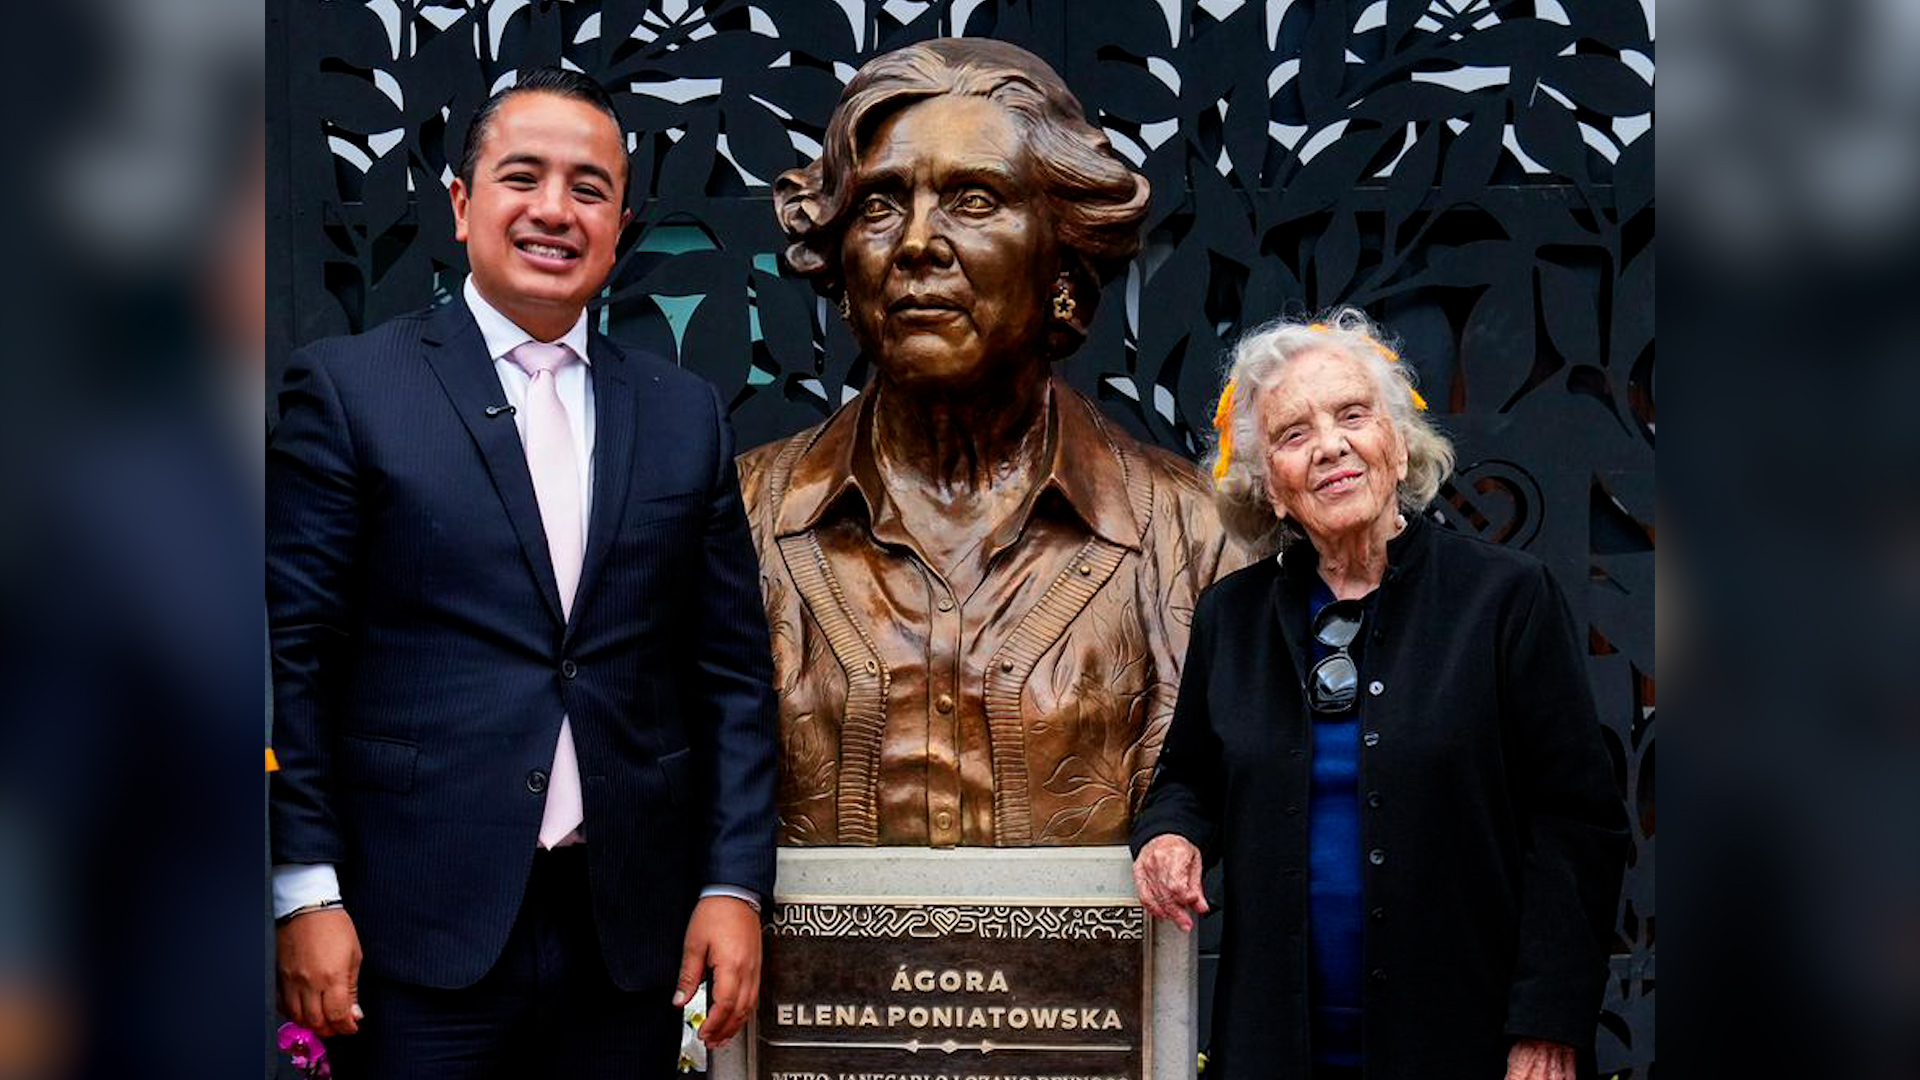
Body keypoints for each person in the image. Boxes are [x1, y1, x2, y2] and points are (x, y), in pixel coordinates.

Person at [267, 68, 778, 1078]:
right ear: (463, 206)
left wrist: (734, 885)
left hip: (625, 940)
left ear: (621, 224)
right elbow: (293, 658)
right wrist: (306, 892)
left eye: (589, 188)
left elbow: (730, 677)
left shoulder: (683, 416)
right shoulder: (350, 390)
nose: (555, 210)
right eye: (522, 177)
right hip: (414, 933)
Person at [737, 38, 1243, 848]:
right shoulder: (741, 519)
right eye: (878, 205)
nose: (916, 243)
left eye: (974, 200)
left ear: (1063, 260)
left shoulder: (1197, 536)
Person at [1130, 308, 1627, 1079]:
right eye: (1294, 435)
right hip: (1276, 1044)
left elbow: (1576, 824)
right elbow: (1188, 777)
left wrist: (1547, 1023)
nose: (1330, 445)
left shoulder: (1504, 599)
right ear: (1272, 490)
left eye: (1353, 416)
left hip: (1467, 1036)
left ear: (1397, 444)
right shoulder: (1234, 615)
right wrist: (1170, 835)